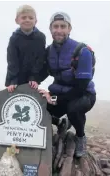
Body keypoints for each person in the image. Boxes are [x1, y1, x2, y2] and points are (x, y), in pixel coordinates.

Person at [39, 12, 96, 157]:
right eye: (55, 26)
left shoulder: (82, 51)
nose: (59, 30)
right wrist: (27, 84)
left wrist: (55, 99)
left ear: (69, 29)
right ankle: (61, 122)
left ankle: (80, 137)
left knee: (73, 109)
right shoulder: (48, 51)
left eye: (63, 26)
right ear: (50, 29)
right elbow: (42, 73)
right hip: (61, 92)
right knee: (38, 106)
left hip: (84, 94)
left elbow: (81, 87)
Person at [5, 5, 46, 92]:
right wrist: (13, 80)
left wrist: (34, 77)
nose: (27, 20)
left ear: (36, 21)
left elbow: (40, 59)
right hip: (17, 77)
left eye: (31, 18)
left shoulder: (41, 37)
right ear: (17, 20)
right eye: (23, 17)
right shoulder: (14, 38)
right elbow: (12, 60)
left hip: (33, 78)